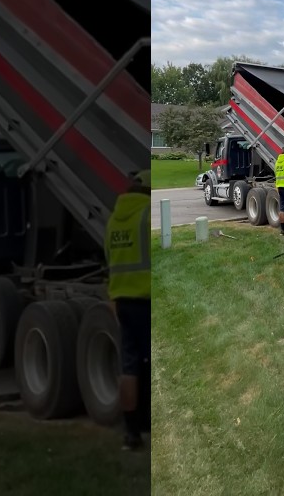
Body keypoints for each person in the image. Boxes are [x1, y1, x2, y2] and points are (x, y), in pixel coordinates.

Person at [105, 170, 151, 451]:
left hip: (122, 301)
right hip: (147, 299)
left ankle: (131, 433)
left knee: (130, 367)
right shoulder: (146, 215)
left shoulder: (113, 220)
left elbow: (109, 259)